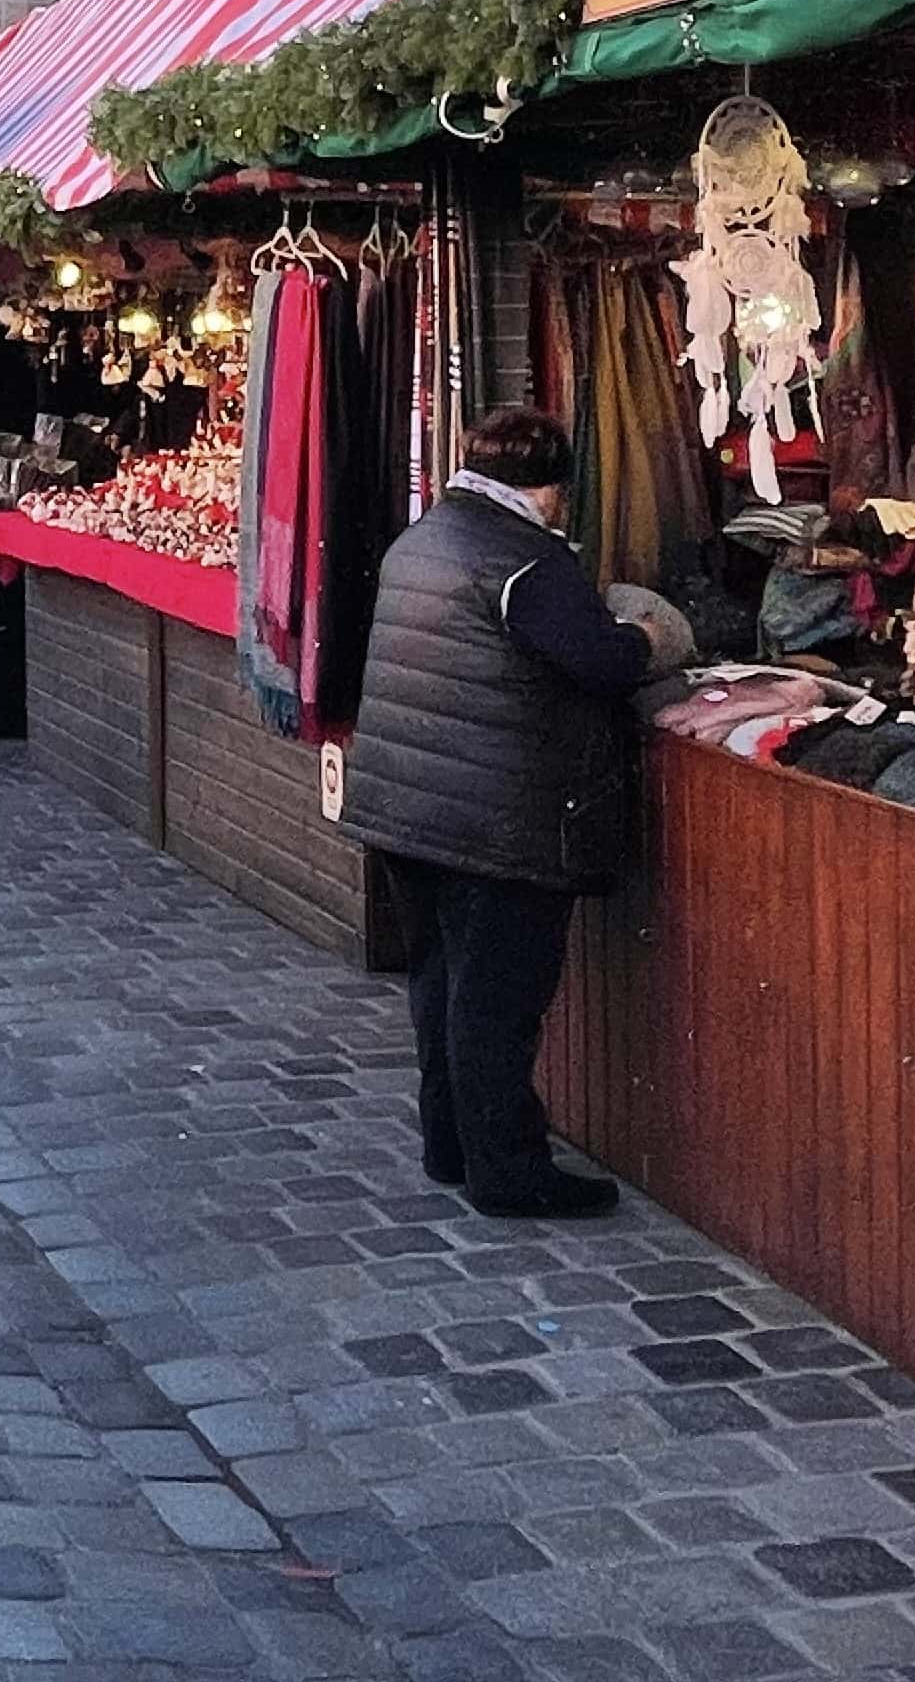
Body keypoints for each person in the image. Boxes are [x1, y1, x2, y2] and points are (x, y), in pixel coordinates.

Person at [331, 404, 686, 1220]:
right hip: (495, 821)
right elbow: (603, 662)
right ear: (547, 486)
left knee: (440, 985)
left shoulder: (423, 536)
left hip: (406, 809)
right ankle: (510, 1171)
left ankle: (450, 1146)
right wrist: (649, 637)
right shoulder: (528, 561)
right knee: (496, 1003)